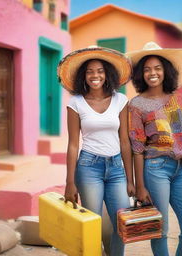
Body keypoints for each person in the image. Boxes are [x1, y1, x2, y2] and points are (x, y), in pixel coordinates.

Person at [57, 45, 135, 256]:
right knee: (94, 224)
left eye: (100, 71)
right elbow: (73, 144)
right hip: (88, 167)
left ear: (107, 74)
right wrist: (69, 182)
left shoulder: (120, 100)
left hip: (116, 168)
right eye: (90, 71)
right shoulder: (76, 103)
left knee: (121, 221)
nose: (95, 75)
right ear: (84, 76)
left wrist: (130, 179)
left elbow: (125, 141)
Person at [127, 42, 182, 256]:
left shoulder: (178, 99)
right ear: (142, 74)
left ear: (165, 70)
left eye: (157, 68)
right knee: (160, 229)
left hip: (181, 170)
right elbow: (137, 148)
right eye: (147, 69)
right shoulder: (136, 105)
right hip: (155, 168)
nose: (153, 73)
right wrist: (140, 186)